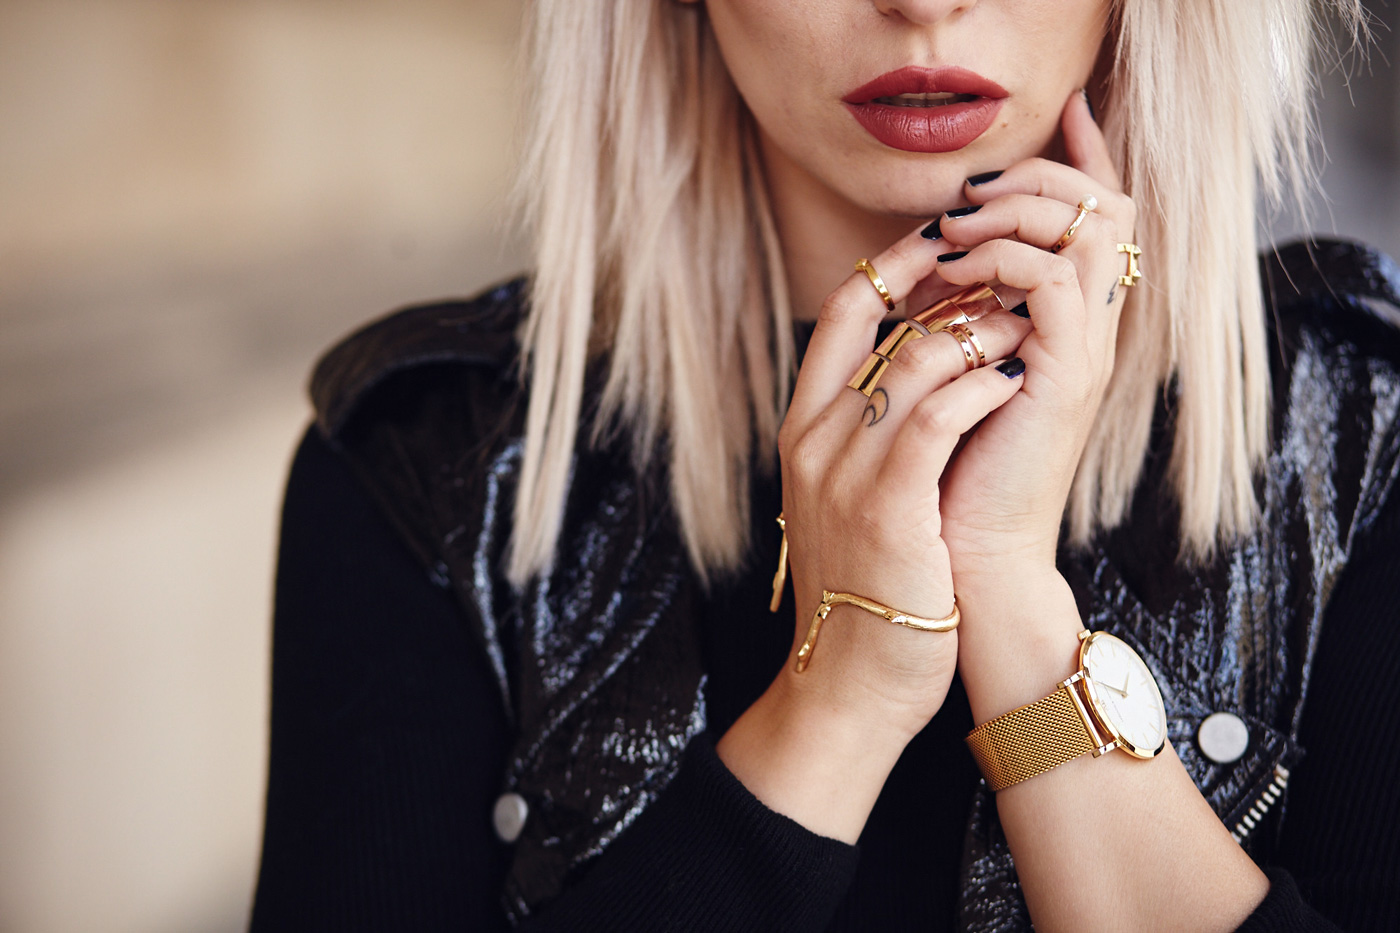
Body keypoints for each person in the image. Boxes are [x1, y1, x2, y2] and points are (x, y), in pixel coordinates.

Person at [250, 0, 1400, 930]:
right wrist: (840, 699)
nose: (922, 7)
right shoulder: (429, 462)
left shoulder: (1359, 434)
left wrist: (1007, 594)